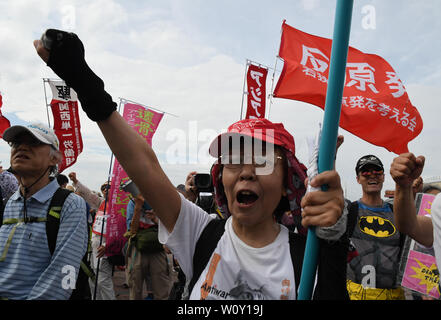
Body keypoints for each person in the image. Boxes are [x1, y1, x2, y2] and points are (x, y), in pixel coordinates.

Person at [34, 29, 348, 300]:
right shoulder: (199, 232)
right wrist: (86, 85)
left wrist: (334, 239)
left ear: (287, 182)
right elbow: (145, 164)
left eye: (263, 161)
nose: (247, 171)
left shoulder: (308, 258)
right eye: (234, 160)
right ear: (221, 176)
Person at [0, 122, 88, 299]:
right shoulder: (10, 202)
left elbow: (64, 274)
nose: (22, 147)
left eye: (34, 143)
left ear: (54, 159)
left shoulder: (71, 204)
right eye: (16, 143)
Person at [346, 154, 406, 300]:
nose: (372, 175)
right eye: (365, 172)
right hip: (355, 293)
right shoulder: (349, 211)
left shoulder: (398, 213)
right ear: (358, 179)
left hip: (393, 294)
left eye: (377, 172)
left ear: (384, 177)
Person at [68, 172, 116, 300]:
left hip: (104, 248)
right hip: (94, 246)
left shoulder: (118, 208)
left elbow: (120, 230)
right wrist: (76, 181)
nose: (105, 190)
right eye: (103, 188)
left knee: (103, 280)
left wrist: (107, 245)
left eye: (109, 187)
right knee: (93, 278)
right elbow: (89, 194)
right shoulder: (101, 203)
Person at [125, 194, 175, 300]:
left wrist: (155, 219)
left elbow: (169, 227)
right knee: (135, 288)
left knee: (162, 289)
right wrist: (138, 207)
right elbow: (132, 230)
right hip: (138, 249)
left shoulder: (161, 203)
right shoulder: (132, 203)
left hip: (157, 249)